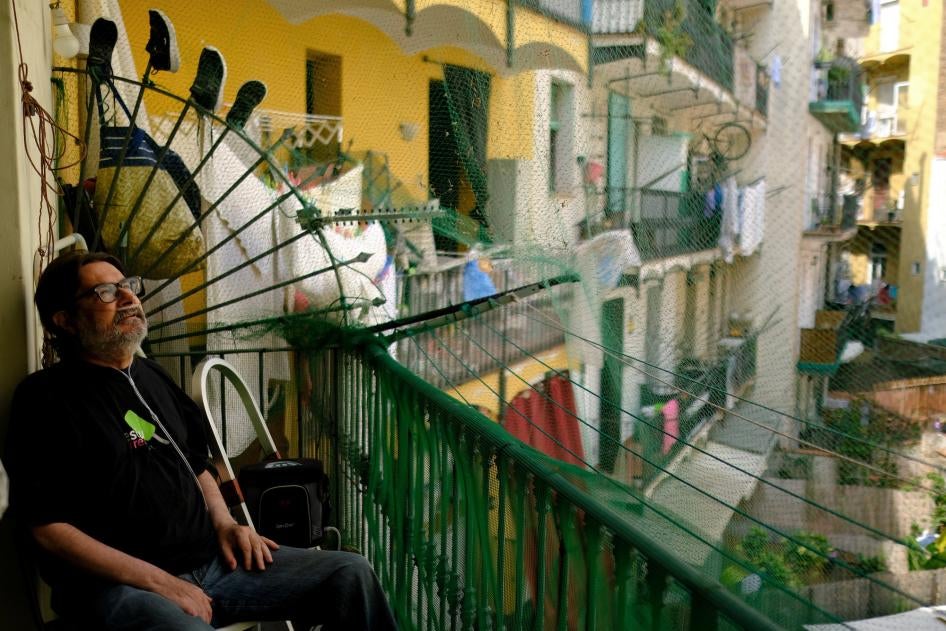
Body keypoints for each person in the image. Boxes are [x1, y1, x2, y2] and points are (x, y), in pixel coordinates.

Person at [5, 251, 397, 630]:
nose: (127, 298)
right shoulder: (45, 400)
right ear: (65, 320)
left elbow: (196, 461)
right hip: (119, 588)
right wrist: (161, 582)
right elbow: (48, 527)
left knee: (350, 572)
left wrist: (226, 524)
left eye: (128, 286)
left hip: (214, 564)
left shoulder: (150, 376)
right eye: (105, 293)